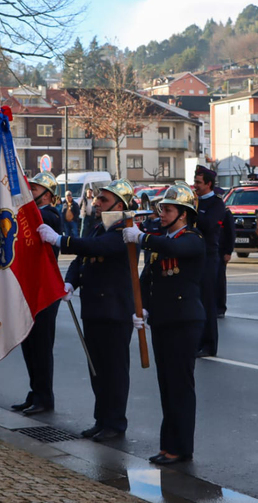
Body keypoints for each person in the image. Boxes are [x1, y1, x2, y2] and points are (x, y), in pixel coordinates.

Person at [39, 179, 136, 443]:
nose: (96, 203)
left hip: (114, 312)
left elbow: (97, 248)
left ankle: (115, 422)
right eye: (98, 199)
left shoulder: (125, 231)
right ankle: (101, 419)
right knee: (97, 369)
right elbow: (82, 258)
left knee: (114, 371)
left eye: (103, 200)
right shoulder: (98, 228)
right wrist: (71, 281)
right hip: (93, 309)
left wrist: (61, 240)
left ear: (120, 205)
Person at [124, 184, 205, 466]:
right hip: (162, 320)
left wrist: (143, 237)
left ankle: (181, 447)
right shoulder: (162, 238)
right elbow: (148, 278)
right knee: (167, 386)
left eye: (168, 209)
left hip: (184, 322)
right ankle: (168, 445)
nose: (162, 214)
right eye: (162, 209)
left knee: (180, 387)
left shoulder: (192, 238)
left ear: (183, 214)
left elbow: (174, 247)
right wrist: (142, 307)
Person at [12, 171, 62, 416]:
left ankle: (45, 396)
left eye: (34, 189)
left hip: (45, 289)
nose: (29, 192)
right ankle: (35, 392)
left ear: (47, 194)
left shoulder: (48, 215)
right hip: (31, 287)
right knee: (30, 345)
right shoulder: (34, 213)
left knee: (41, 347)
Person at [193, 166, 227, 357]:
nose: (195, 185)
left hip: (209, 255)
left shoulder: (216, 204)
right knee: (196, 301)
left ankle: (209, 344)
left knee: (207, 301)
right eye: (195, 181)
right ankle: (197, 341)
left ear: (208, 184)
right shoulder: (196, 202)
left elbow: (206, 225)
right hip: (195, 254)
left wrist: (194, 208)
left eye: (198, 182)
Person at [216, 188, 236, 318]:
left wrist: (228, 252)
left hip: (221, 251)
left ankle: (220, 308)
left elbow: (231, 234)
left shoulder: (226, 213)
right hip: (211, 250)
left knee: (219, 281)